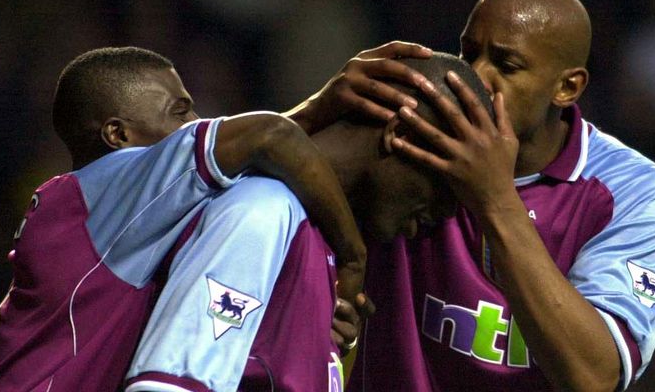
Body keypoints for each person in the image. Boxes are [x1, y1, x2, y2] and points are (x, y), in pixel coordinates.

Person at [314, 0, 655, 392]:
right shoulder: (413, 135)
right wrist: (316, 112)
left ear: (567, 87)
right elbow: (260, 172)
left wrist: (495, 198)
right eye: (469, 54)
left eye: (506, 66)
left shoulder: (634, 189)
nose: (479, 76)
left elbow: (593, 377)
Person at [0, 46, 372, 392]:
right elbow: (269, 137)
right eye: (180, 112)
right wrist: (353, 255)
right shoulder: (108, 186)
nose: (196, 123)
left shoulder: (122, 219)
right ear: (118, 135)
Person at [122, 53, 486, 392]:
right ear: (401, 135)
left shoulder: (318, 239)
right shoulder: (264, 210)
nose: (421, 226)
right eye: (438, 194)